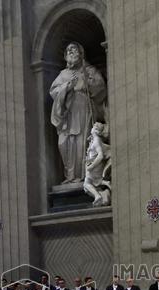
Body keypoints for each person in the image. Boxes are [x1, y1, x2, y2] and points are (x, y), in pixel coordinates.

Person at [49, 42, 107, 184]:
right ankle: (70, 176)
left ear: (81, 54)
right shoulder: (62, 75)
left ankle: (84, 176)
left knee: (82, 142)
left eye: (74, 50)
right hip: (67, 116)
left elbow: (100, 89)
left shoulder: (89, 71)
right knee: (64, 144)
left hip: (84, 112)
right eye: (68, 50)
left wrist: (87, 80)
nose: (71, 52)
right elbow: (53, 92)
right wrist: (67, 86)